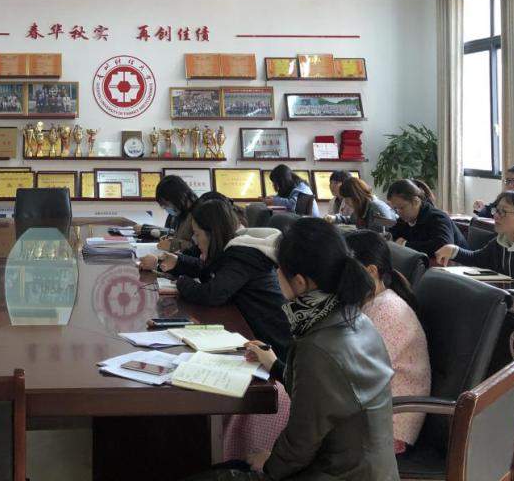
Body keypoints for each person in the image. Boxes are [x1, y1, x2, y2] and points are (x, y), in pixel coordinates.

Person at [192, 218, 398, 480]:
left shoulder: (317, 346)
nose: (275, 276)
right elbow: (324, 397)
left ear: (299, 282)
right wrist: (276, 366)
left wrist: (269, 465)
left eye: (278, 269)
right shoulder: (356, 320)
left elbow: (300, 444)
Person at [156, 197, 291, 357]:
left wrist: (181, 282)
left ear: (212, 234)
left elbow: (211, 295)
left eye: (197, 234)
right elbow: (207, 269)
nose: (195, 241)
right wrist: (178, 263)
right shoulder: (232, 250)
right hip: (254, 333)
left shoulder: (242, 256)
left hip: (273, 345)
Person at [345, 230, 431, 454]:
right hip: (370, 411)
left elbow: (362, 374)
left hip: (389, 427)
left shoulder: (387, 311)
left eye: (344, 271)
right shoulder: (370, 301)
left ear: (371, 271)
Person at [386, 179, 467, 258]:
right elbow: (392, 235)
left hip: (458, 264)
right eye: (395, 209)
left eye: (401, 208)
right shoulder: (404, 219)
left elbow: (443, 245)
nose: (398, 212)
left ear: (416, 202)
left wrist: (405, 245)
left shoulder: (437, 218)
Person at [326, 176, 395, 230]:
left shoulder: (376, 207)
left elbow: (381, 235)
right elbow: (352, 219)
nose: (346, 202)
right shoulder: (362, 206)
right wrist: (335, 218)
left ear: (356, 195)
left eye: (347, 198)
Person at [154, 174, 200, 251]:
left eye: (166, 204)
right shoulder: (181, 213)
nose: (165, 208)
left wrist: (173, 245)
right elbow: (183, 238)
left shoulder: (198, 213)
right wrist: (171, 240)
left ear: (177, 198)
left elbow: (199, 248)